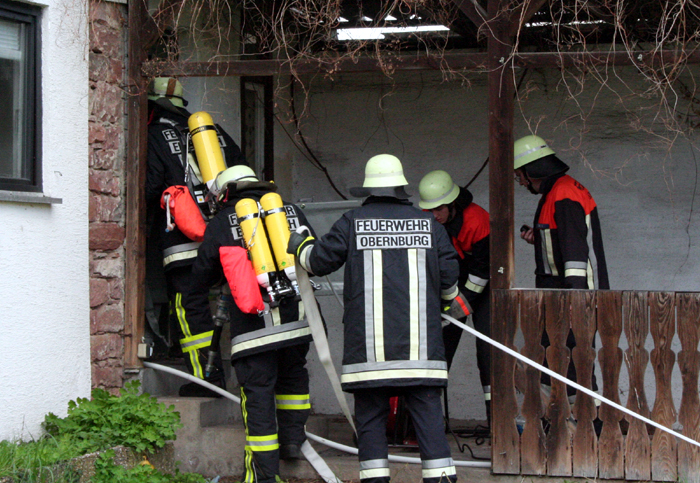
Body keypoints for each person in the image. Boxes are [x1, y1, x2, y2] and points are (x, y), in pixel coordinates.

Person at [288, 154, 463, 483]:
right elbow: (449, 278)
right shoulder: (428, 224)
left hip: (368, 359)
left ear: (369, 190)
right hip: (422, 357)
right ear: (401, 189)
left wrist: (299, 244)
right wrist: (446, 303)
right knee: (429, 423)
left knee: (370, 424)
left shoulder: (353, 221)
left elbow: (317, 261)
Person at [192, 165, 315, 482]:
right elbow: (312, 256)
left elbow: (202, 274)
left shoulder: (223, 221)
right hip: (298, 322)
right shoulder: (290, 212)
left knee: (259, 397)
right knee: (293, 380)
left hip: (254, 331)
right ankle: (292, 441)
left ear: (225, 193)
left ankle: (264, 476)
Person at [145, 77, 246, 396]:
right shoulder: (214, 133)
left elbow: (151, 186)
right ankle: (233, 375)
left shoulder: (154, 133)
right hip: (226, 234)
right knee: (228, 303)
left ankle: (207, 378)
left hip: (184, 241)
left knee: (188, 305)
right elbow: (241, 173)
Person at [514, 134, 607, 399]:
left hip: (572, 295)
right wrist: (539, 238)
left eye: (520, 175)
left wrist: (575, 298)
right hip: (563, 293)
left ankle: (586, 418)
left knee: (576, 364)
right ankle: (561, 415)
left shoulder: (563, 194)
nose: (521, 182)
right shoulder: (559, 191)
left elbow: (575, 254)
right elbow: (566, 240)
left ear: (532, 170)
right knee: (561, 360)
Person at [418, 170, 491, 424]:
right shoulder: (430, 219)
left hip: (485, 286)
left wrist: (457, 307)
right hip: (452, 284)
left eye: (439, 209)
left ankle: (495, 419)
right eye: (430, 210)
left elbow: (481, 273)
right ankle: (427, 419)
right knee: (439, 348)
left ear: (452, 204)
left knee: (488, 351)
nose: (434, 215)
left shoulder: (478, 221)